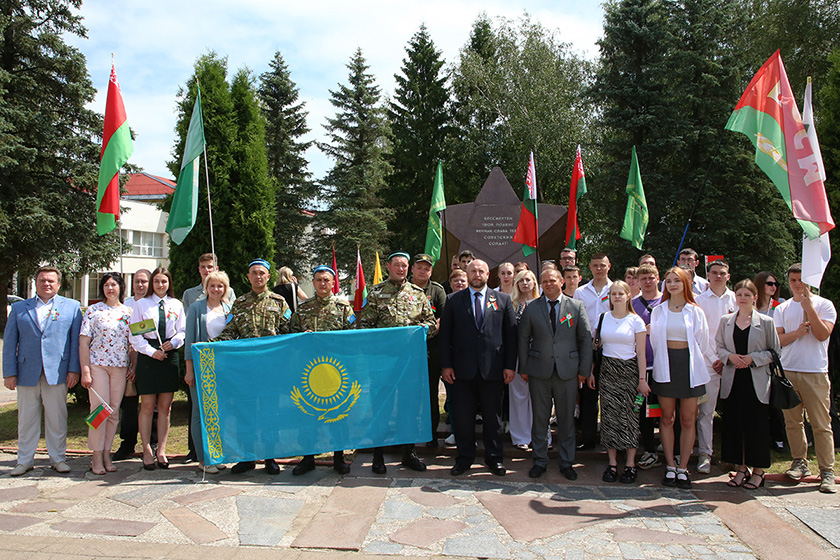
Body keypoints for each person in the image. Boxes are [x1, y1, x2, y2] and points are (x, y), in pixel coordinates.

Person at [359, 251, 437, 474]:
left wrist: (425, 330)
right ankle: (378, 455)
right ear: (388, 267)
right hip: (383, 363)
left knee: (409, 408)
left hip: (410, 363)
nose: (401, 269)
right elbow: (365, 326)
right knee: (381, 408)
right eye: (397, 265)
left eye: (404, 266)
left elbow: (431, 322)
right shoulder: (375, 293)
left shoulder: (418, 294)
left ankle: (408, 453)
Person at [440, 259, 517, 476]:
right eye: (473, 271)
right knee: (463, 418)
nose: (477, 274)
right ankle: (464, 458)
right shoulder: (453, 300)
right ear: (467, 273)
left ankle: (494, 458)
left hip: (493, 370)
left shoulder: (502, 300)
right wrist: (446, 365)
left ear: (488, 274)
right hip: (462, 371)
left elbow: (511, 336)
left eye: (481, 271)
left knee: (493, 419)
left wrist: (510, 366)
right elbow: (445, 336)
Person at [214, 258, 292, 475]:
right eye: (254, 273)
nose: (258, 276)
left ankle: (269, 457)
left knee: (269, 413)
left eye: (262, 273)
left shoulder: (279, 302)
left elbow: (288, 334)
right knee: (244, 412)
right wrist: (208, 345)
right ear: (248, 277)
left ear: (268, 276)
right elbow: (230, 332)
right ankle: (246, 457)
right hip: (245, 369)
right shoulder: (238, 304)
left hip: (270, 369)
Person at [3, 265, 82, 476]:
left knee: (57, 418)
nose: (46, 284)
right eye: (42, 281)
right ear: (35, 283)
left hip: (57, 371)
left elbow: (75, 342)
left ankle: (58, 458)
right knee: (27, 418)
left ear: (58, 284)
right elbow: (10, 342)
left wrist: (74, 369)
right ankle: (24, 460)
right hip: (26, 371)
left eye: (50, 281)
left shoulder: (72, 307)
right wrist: (9, 372)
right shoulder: (20, 309)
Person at [518, 268, 592, 479]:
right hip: (539, 371)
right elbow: (523, 339)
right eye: (545, 281)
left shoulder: (576, 306)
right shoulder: (532, 308)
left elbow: (585, 339)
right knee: (540, 419)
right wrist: (524, 368)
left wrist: (584, 370)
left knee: (566, 419)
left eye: (552, 280)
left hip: (568, 372)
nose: (548, 284)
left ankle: (566, 462)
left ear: (562, 282)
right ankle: (540, 460)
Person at [775, 263, 836, 493]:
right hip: (789, 370)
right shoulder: (782, 309)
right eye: (793, 281)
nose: (797, 284)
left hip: (815, 372)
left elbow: (822, 335)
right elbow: (779, 340)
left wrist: (810, 307)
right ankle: (799, 462)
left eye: (801, 280)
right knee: (792, 422)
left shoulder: (825, 305)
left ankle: (827, 470)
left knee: (821, 424)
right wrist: (798, 333)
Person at [649, 267, 713, 489]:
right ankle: (669, 466)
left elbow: (702, 343)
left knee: (688, 420)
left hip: (689, 368)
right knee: (667, 418)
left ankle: (683, 468)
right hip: (666, 365)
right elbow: (655, 342)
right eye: (668, 281)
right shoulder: (658, 310)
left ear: (685, 283)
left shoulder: (695, 311)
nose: (672, 284)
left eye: (677, 280)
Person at [289, 266, 356, 475]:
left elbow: (353, 336)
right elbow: (291, 334)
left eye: (326, 279)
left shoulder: (344, 307)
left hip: (336, 372)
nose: (322, 283)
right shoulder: (303, 308)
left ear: (333, 282)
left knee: (338, 414)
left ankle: (338, 457)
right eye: (318, 280)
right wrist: (303, 337)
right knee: (308, 414)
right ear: (314, 283)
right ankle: (308, 458)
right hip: (309, 371)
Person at [715, 279, 781, 490]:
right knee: (735, 426)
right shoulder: (726, 321)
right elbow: (719, 346)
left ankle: (759, 471)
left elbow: (775, 352)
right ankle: (740, 468)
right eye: (739, 294)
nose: (742, 298)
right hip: (733, 380)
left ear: (755, 297)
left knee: (756, 427)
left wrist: (754, 358)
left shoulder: (766, 322)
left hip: (756, 381)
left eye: (747, 295)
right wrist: (730, 357)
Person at [180, 253, 235, 463]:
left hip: (224, 367)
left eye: (220, 286)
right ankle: (204, 458)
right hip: (202, 366)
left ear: (225, 288)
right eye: (212, 286)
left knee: (222, 411)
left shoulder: (230, 309)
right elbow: (190, 340)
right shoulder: (196, 308)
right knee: (200, 412)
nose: (216, 290)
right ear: (207, 288)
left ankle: (220, 453)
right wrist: (189, 370)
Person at [129, 267, 185, 471]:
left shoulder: (176, 304)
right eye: (157, 282)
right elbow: (135, 335)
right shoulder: (141, 305)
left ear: (169, 283)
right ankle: (146, 450)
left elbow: (182, 331)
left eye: (164, 282)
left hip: (169, 355)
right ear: (152, 283)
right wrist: (152, 352)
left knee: (165, 407)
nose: (160, 285)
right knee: (147, 406)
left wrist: (175, 343)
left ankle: (161, 450)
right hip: (148, 357)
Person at [79, 272, 132, 475]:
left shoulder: (128, 312)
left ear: (120, 287)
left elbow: (133, 343)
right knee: (99, 411)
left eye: (114, 285)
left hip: (119, 367)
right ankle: (96, 455)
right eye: (106, 285)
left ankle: (107, 453)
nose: (110, 288)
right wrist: (85, 370)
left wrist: (133, 365)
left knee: (113, 412)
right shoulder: (93, 311)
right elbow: (84, 342)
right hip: (97, 366)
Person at [598, 281, 648, 484]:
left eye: (620, 293)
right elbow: (598, 346)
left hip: (629, 371)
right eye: (613, 293)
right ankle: (611, 463)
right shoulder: (603, 318)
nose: (616, 297)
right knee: (609, 417)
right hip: (607, 371)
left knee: (630, 418)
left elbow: (642, 353)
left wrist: (642, 380)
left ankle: (630, 464)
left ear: (628, 296)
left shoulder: (636, 321)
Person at [694, 260, 734, 473]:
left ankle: (735, 454)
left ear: (728, 276)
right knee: (706, 412)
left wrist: (727, 358)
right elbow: (700, 334)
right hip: (708, 364)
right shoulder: (699, 301)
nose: (718, 276)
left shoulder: (737, 299)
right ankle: (704, 454)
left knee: (734, 411)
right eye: (715, 273)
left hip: (734, 364)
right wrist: (713, 359)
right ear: (708, 275)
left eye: (723, 273)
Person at [574, 252, 613, 450]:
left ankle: (609, 438)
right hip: (587, 345)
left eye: (602, 265)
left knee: (609, 394)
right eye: (595, 265)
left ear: (609, 266)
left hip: (610, 346)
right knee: (589, 394)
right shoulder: (581, 292)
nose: (599, 268)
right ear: (590, 268)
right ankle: (588, 437)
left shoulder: (616, 289)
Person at [113, 269, 151, 461]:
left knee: (150, 405)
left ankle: (151, 443)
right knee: (128, 406)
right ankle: (127, 443)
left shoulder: (152, 305)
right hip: (123, 362)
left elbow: (142, 337)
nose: (140, 285)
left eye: (144, 281)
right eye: (137, 281)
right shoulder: (125, 305)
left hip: (147, 360)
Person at [410, 254, 447, 448]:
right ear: (412, 269)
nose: (423, 271)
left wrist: (427, 332)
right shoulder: (402, 288)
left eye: (427, 268)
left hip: (430, 349)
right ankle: (408, 433)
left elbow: (442, 316)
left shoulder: (437, 290)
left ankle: (431, 435)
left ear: (431, 271)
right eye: (419, 267)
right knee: (409, 395)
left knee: (431, 394)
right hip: (407, 351)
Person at [631, 264, 664, 470]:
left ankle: (669, 447)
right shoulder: (632, 304)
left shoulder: (666, 302)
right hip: (641, 368)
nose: (648, 282)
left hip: (664, 366)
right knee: (642, 408)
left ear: (658, 278)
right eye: (643, 279)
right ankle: (649, 449)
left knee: (664, 410)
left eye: (651, 278)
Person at [755, 271, 787, 450]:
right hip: (756, 358)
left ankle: (780, 438)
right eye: (769, 283)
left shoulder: (780, 306)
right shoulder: (752, 307)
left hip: (776, 359)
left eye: (776, 284)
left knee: (776, 401)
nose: (773, 287)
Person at [509, 270, 540, 450]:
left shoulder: (542, 303)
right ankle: (521, 437)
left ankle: (541, 436)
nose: (525, 283)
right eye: (521, 280)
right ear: (517, 284)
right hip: (517, 356)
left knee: (540, 397)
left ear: (535, 283)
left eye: (529, 280)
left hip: (539, 356)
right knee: (519, 397)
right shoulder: (511, 304)